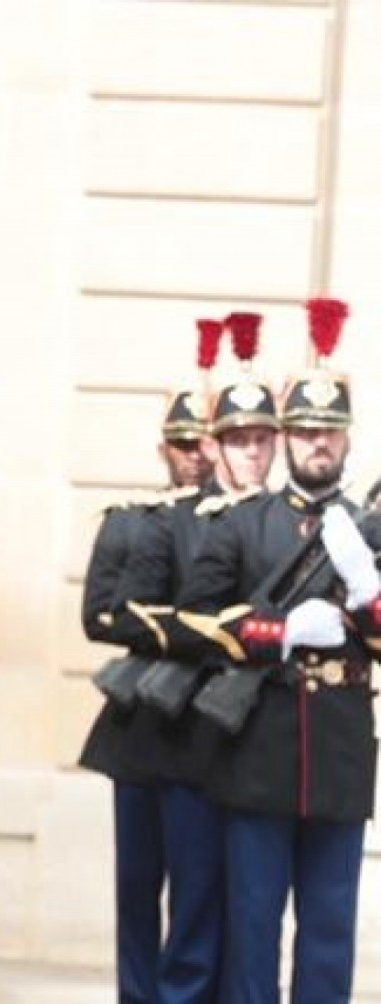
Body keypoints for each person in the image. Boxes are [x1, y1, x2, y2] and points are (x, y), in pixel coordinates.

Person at [169, 299, 380, 1004]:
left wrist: (366, 584)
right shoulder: (244, 523)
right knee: (251, 934)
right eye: (307, 430)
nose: (319, 443)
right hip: (258, 746)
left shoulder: (368, 531)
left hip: (343, 752)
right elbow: (195, 620)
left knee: (328, 935)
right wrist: (280, 633)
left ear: (348, 441)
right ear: (286, 436)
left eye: (331, 431)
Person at [87, 313, 279, 1004]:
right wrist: (218, 630)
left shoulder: (276, 522)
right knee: (147, 895)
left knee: (214, 904)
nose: (202, 455)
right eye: (195, 443)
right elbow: (122, 613)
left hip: (231, 735)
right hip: (157, 732)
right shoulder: (160, 521)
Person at [77, 377, 214, 1003]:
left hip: (202, 732)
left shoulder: (232, 523)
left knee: (197, 890)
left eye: (203, 443)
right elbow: (101, 614)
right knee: (136, 886)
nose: (195, 455)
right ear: (165, 450)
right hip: (138, 731)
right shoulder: (134, 523)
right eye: (183, 444)